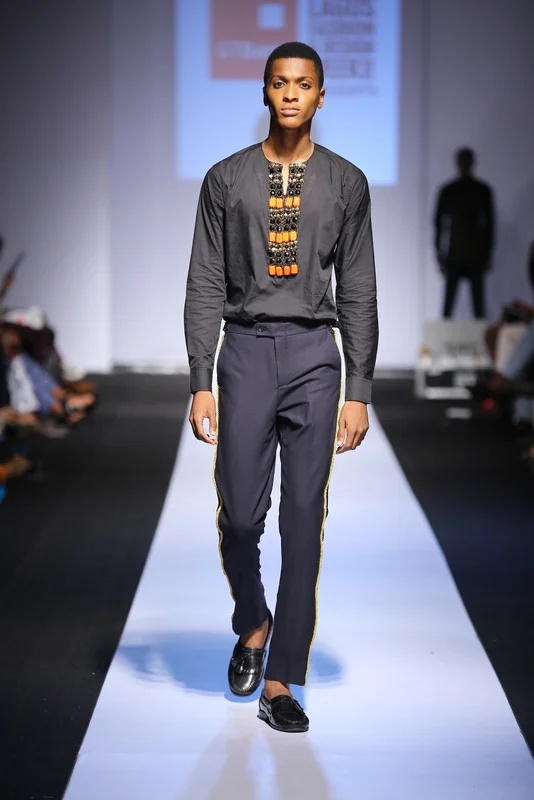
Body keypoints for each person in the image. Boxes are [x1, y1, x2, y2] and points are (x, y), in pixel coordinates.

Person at [184, 41, 378, 733]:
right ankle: (252, 620)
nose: (291, 94)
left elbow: (358, 287)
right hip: (243, 351)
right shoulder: (225, 179)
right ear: (264, 91)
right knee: (240, 516)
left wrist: (359, 388)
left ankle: (280, 679)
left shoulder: (347, 182)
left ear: (321, 95)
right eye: (279, 82)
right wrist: (200, 378)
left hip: (314, 358)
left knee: (303, 521)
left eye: (304, 84)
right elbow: (205, 280)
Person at [434, 148, 495, 318]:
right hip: (455, 254)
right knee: (448, 307)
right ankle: (444, 335)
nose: (465, 164)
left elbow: (490, 226)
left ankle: (481, 336)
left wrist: (488, 255)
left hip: (474, 255)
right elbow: (438, 225)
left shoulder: (482, 191)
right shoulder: (449, 191)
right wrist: (440, 256)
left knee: (478, 307)